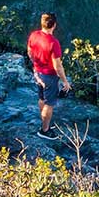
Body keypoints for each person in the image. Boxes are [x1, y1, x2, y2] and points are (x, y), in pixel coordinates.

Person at [26, 12, 72, 141]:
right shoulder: (53, 43)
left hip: (38, 73)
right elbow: (57, 66)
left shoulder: (34, 35)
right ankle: (44, 130)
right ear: (54, 25)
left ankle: (44, 121)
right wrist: (65, 82)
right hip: (49, 77)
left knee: (42, 98)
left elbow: (29, 51)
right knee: (49, 104)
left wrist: (35, 65)